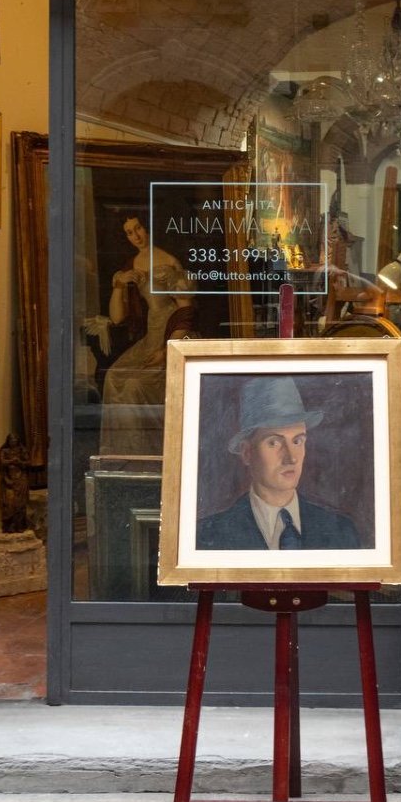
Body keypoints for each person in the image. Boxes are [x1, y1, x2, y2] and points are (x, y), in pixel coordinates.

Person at [196, 376, 360, 551]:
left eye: (297, 441)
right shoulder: (208, 535)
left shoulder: (341, 531)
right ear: (247, 453)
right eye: (274, 442)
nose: (291, 458)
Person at [99, 216, 194, 456]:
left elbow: (186, 306)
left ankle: (148, 453)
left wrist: (169, 348)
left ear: (148, 228)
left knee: (135, 385)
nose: (136, 236)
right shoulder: (130, 265)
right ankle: (123, 455)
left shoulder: (168, 260)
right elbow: (117, 318)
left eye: (138, 228)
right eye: (129, 233)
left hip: (173, 330)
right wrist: (119, 285)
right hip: (152, 332)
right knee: (113, 377)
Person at [0, 433, 30, 533]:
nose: (13, 441)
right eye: (11, 439)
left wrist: (19, 462)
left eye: (15, 439)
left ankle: (19, 526)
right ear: (8, 441)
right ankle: (9, 526)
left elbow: (28, 463)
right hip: (8, 480)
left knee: (20, 504)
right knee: (9, 503)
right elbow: (2, 463)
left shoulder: (22, 450)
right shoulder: (4, 451)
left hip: (21, 479)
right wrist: (12, 461)